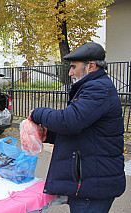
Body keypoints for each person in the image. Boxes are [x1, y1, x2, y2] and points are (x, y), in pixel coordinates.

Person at [29, 42, 126, 213]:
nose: (70, 72)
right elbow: (85, 131)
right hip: (91, 181)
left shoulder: (98, 88)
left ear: (91, 66)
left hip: (93, 185)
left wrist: (37, 113)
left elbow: (69, 122)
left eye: (74, 67)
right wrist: (49, 135)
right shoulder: (93, 87)